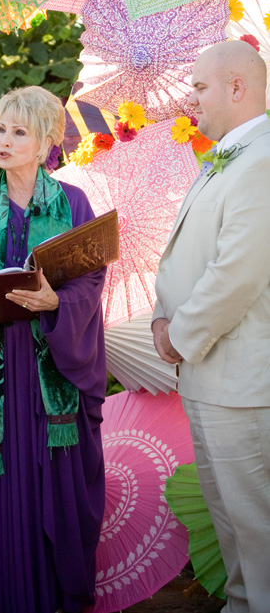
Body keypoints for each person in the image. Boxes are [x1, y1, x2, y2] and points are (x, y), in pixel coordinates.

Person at [0, 85, 107, 613]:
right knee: (1, 500)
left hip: (50, 376)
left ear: (45, 144)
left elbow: (90, 281)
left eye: (19, 132)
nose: (5, 140)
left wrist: (53, 300)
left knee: (59, 497)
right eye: (0, 128)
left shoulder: (74, 204)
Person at [152, 41, 270, 613]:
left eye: (200, 87)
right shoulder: (226, 156)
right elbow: (187, 256)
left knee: (258, 532)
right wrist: (158, 312)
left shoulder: (263, 159)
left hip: (242, 381)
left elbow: (238, 273)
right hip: (208, 376)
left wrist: (176, 336)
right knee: (233, 529)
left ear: (237, 87)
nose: (190, 97)